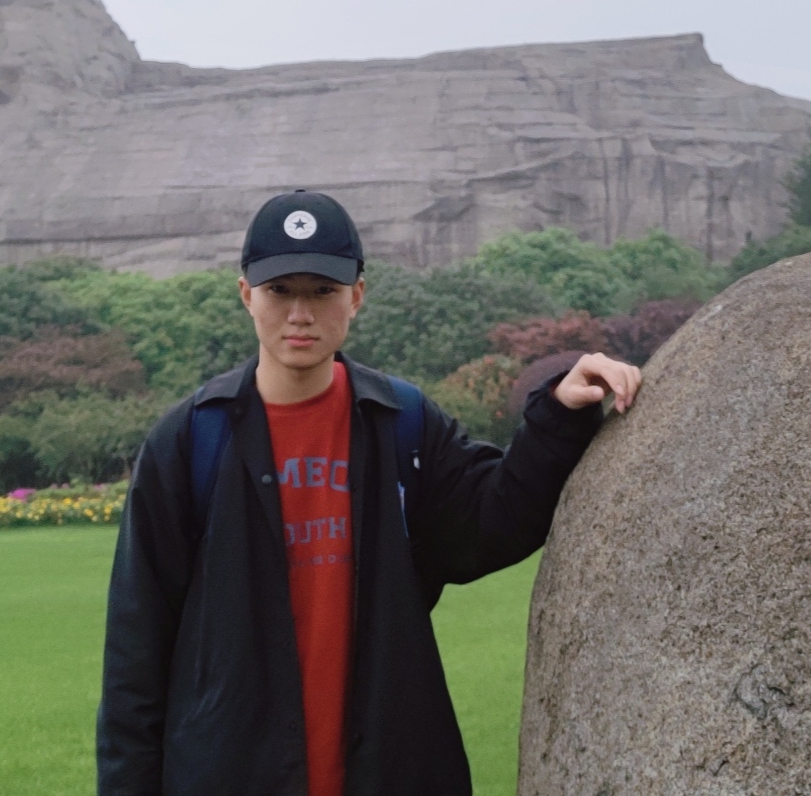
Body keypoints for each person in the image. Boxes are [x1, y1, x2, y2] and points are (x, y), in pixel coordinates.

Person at [97, 189, 642, 796]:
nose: (299, 313)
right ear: (246, 293)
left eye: (322, 291)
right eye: (279, 290)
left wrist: (561, 413)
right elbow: (135, 659)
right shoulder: (191, 441)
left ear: (356, 295)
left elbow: (492, 522)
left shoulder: (401, 422)